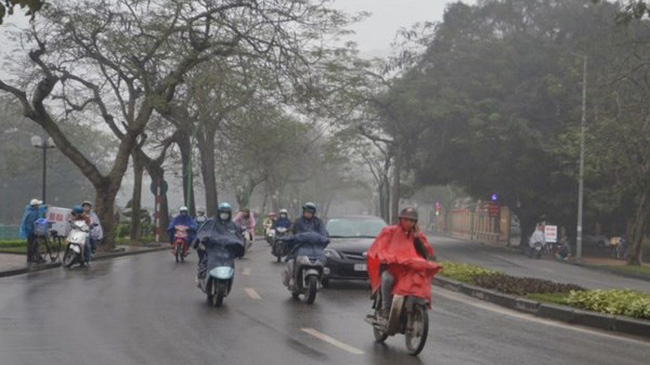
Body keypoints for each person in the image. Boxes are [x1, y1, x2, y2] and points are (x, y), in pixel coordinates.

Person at [367, 207, 435, 320]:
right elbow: (380, 247)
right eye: (407, 220)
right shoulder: (390, 231)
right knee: (387, 279)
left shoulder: (416, 235)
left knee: (419, 280)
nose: (409, 223)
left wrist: (417, 239)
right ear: (401, 220)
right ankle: (386, 308)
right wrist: (388, 256)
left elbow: (426, 253)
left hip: (408, 270)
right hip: (391, 268)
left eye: (412, 221)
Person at [194, 202, 242, 282]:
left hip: (227, 249)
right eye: (223, 212)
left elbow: (237, 235)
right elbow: (203, 232)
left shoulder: (232, 225)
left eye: (226, 212)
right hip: (213, 248)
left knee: (231, 261)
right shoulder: (211, 222)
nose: (224, 214)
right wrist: (203, 239)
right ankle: (201, 275)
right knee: (205, 258)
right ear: (219, 212)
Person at [20, 199, 48, 263]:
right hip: (31, 231)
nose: (38, 206)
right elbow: (30, 223)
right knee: (31, 245)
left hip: (35, 230)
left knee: (36, 245)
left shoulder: (34, 210)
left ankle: (37, 257)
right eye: (37, 205)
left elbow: (41, 209)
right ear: (35, 205)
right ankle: (31, 258)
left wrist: (46, 206)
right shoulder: (30, 213)